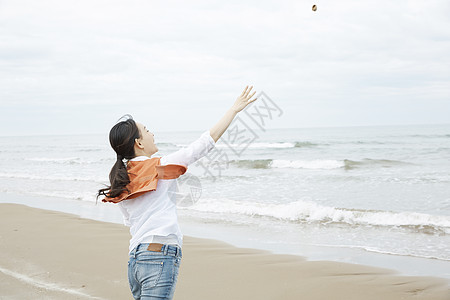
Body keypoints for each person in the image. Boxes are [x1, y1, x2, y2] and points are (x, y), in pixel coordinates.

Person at [97, 85, 257, 300]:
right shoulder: (160, 166)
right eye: (147, 130)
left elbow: (131, 221)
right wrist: (233, 110)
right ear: (139, 142)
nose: (152, 133)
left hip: (135, 260)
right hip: (158, 255)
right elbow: (203, 144)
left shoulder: (121, 178)